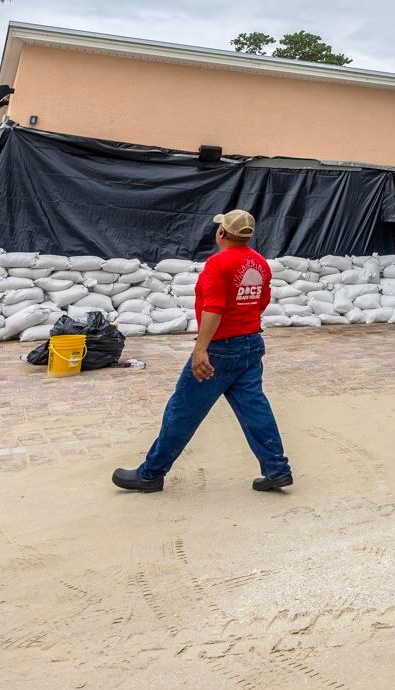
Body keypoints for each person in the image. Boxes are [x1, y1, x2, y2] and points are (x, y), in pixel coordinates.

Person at [113, 209, 294, 493]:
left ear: (222, 233)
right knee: (254, 408)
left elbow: (213, 309)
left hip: (221, 348)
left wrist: (201, 350)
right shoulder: (260, 264)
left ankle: (150, 474)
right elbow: (261, 303)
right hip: (250, 343)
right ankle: (277, 469)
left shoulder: (218, 264)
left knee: (183, 410)